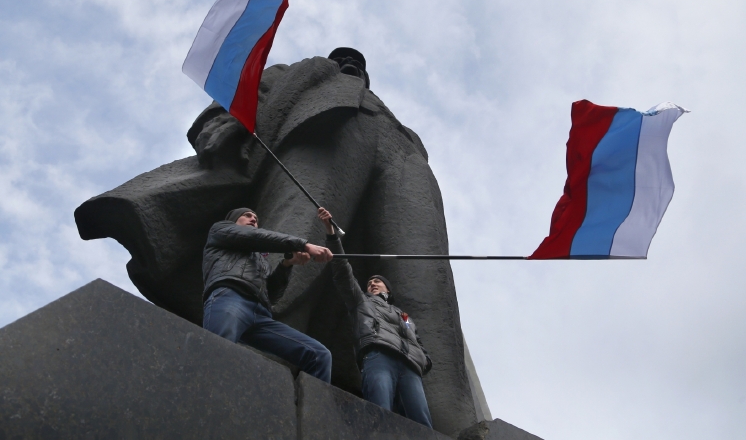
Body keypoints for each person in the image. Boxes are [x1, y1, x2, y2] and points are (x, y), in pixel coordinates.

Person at [75, 48, 480, 436]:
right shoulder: (303, 72)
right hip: (321, 130)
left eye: (358, 64)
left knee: (426, 284)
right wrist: (221, 127)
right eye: (346, 61)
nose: (353, 66)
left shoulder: (396, 121)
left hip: (400, 155)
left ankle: (453, 420)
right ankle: (263, 369)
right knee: (298, 236)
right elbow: (240, 98)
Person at [317, 207, 433, 428]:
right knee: (378, 412)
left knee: (422, 422)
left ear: (387, 289)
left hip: (410, 367)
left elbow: (416, 338)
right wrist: (331, 235)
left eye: (377, 281)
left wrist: (425, 360)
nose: (371, 283)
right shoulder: (362, 301)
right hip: (378, 355)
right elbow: (342, 271)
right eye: (369, 282)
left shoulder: (404, 314)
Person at [202, 207, 334, 382]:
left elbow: (272, 296)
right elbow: (255, 237)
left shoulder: (261, 261)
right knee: (217, 350)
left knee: (319, 355)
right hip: (230, 297)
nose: (253, 219)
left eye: (256, 218)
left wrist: (287, 264)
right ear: (233, 220)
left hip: (261, 314)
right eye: (247, 215)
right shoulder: (220, 229)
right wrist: (304, 245)